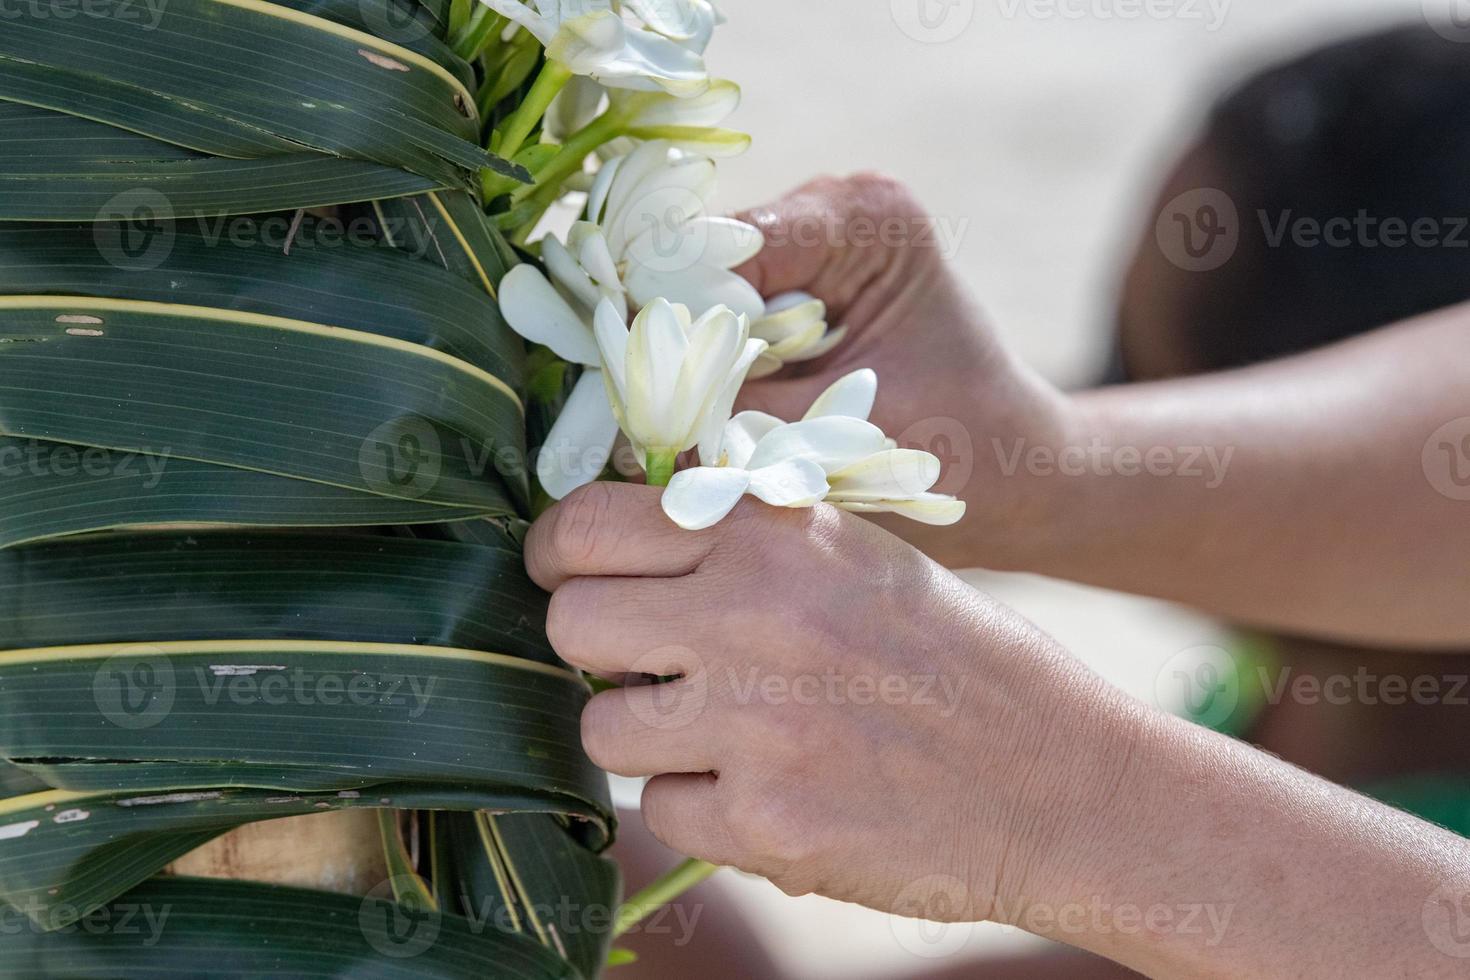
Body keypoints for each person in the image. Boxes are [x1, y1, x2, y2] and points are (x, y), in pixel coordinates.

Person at [544, 25, 1470, 977]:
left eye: (1134, 369)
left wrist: (1051, 804)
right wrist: (1045, 465)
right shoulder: (1296, 720)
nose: (1107, 394)